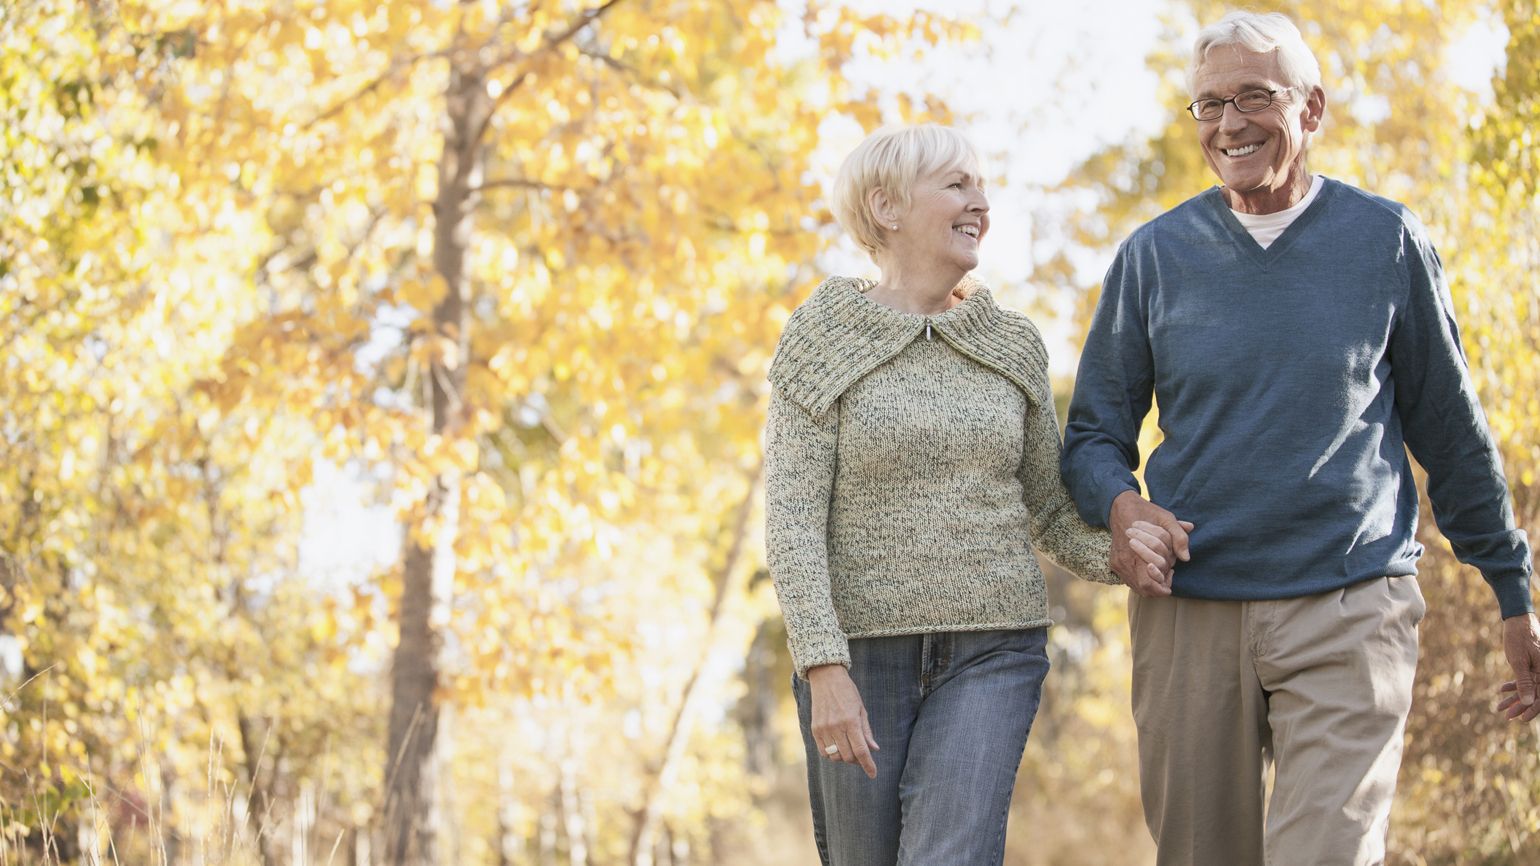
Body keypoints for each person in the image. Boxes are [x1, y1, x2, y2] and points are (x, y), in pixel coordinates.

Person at [1060, 10, 1540, 866]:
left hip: (1351, 603)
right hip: (1193, 611)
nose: (1229, 123)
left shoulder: (1385, 241)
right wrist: (1123, 508)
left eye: (1254, 96)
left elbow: (1453, 434)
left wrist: (1513, 592)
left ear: (1311, 110)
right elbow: (1093, 434)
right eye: (1208, 106)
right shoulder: (1154, 256)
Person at [763, 124, 1155, 865]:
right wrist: (824, 667)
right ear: (886, 207)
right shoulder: (821, 335)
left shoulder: (1011, 344)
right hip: (860, 659)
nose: (981, 201)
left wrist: (1121, 558)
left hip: (993, 649)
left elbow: (1046, 509)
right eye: (957, 185)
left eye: (980, 185)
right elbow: (791, 520)